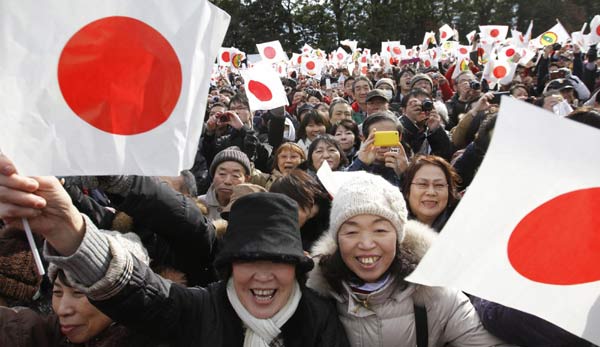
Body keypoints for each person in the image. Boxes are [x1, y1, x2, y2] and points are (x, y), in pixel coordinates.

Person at [0, 158, 351, 346]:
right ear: (227, 267)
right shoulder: (203, 308)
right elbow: (132, 287)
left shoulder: (318, 316)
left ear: (297, 267)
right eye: (247, 261)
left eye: (278, 261)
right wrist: (65, 228)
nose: (262, 275)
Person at [306, 172, 506, 346]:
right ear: (337, 240)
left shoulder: (436, 293)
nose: (366, 244)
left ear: (398, 237)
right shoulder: (316, 298)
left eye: (380, 230)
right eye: (351, 232)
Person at [0, 227, 159, 347]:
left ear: (122, 293)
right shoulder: (56, 333)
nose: (62, 309)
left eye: (78, 293)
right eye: (57, 292)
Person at [346, 112, 409, 187]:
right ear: (364, 139)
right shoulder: (352, 169)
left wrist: (406, 174)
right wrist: (360, 164)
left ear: (399, 137)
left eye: (388, 137)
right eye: (378, 138)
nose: (383, 145)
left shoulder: (412, 170)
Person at [401, 155, 461, 232]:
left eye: (439, 185)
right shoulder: (391, 228)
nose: (431, 192)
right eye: (422, 184)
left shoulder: (463, 228)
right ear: (407, 191)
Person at [199, 147, 252, 221]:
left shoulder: (251, 210)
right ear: (213, 175)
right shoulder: (196, 205)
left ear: (246, 179)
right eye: (222, 174)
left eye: (235, 176)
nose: (227, 181)